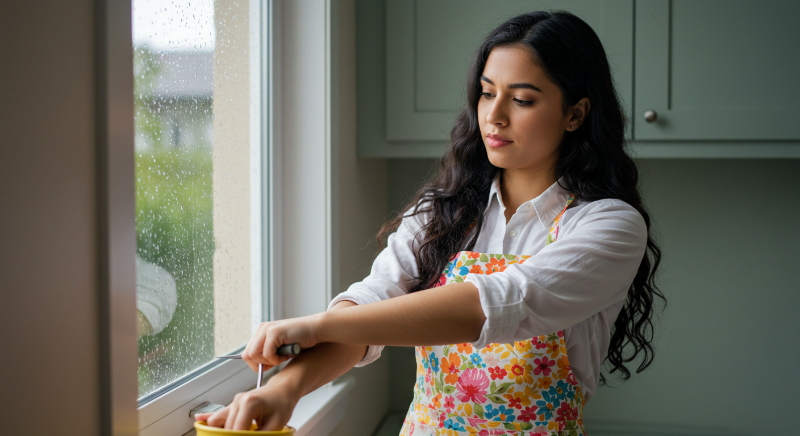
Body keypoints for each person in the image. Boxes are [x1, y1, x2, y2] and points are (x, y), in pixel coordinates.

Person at [197, 10, 663, 435]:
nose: (493, 116)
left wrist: (317, 325)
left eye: (521, 99)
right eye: (486, 93)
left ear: (575, 113)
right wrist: (281, 390)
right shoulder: (442, 212)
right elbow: (368, 312)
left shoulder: (609, 226)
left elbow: (495, 302)